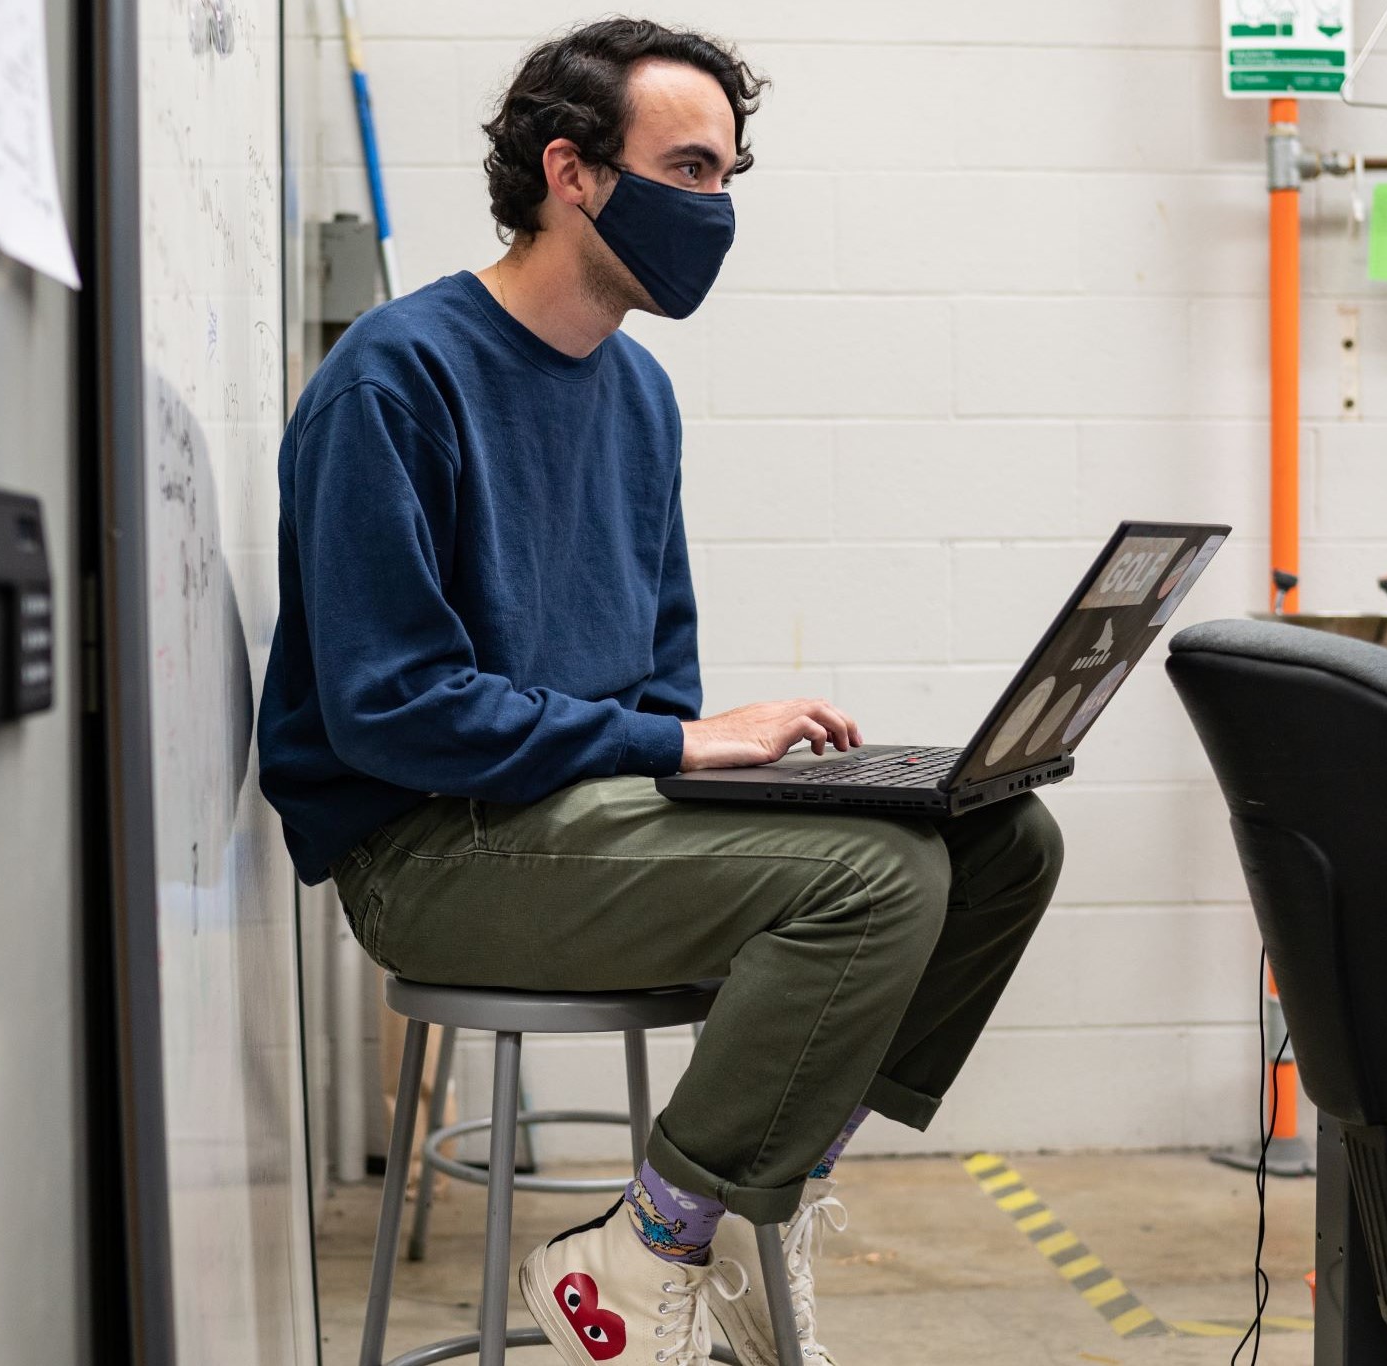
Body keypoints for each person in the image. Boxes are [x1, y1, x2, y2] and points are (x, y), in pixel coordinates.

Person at [258, 19, 1063, 1365]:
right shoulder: (395, 379)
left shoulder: (637, 394)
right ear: (571, 173)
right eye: (689, 170)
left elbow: (656, 682)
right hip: (428, 848)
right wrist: (684, 738)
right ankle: (655, 1234)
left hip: (583, 809)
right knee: (877, 884)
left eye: (730, 175)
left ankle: (753, 1202)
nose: (718, 208)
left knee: (1002, 842)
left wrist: (720, 753)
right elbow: (391, 710)